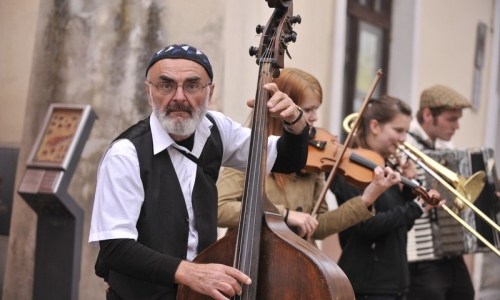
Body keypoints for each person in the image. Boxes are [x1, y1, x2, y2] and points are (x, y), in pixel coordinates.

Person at [88, 44, 310, 300]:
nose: (180, 97)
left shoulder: (216, 129)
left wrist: (294, 121)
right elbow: (115, 247)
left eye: (192, 85)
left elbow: (285, 160)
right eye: (166, 85)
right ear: (149, 92)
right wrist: (190, 273)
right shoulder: (125, 154)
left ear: (209, 92)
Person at [217, 68, 399, 242]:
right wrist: (285, 214)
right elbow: (220, 208)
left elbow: (317, 227)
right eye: (308, 109)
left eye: (317, 109)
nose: (315, 117)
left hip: (300, 261)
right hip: (256, 257)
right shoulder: (252, 149)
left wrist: (366, 199)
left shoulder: (312, 156)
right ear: (283, 107)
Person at [329, 95, 441, 300]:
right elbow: (366, 227)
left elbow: (399, 226)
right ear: (374, 126)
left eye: (406, 132)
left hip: (395, 284)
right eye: (398, 130)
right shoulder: (350, 167)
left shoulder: (387, 167)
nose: (403, 139)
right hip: (368, 286)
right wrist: (415, 208)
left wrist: (408, 190)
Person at [405, 85, 475, 300]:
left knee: (465, 293)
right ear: (428, 115)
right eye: (451, 119)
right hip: (417, 248)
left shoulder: (445, 146)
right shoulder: (405, 144)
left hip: (447, 246)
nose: (457, 126)